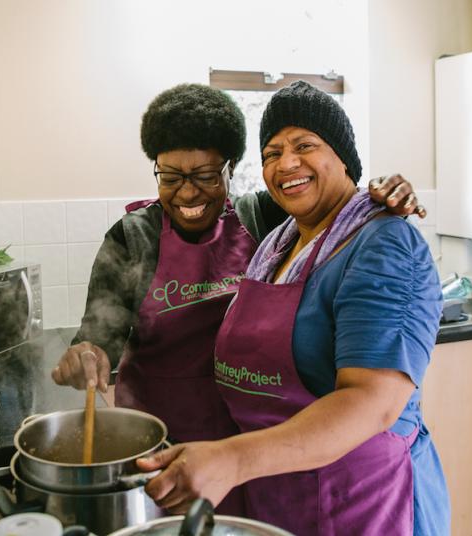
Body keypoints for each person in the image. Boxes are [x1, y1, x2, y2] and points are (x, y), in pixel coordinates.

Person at [50, 83, 425, 513]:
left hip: (264, 445)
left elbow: (334, 200)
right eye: (171, 178)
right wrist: (87, 355)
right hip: (162, 443)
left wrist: (383, 190)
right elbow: (98, 336)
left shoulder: (265, 220)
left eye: (205, 176)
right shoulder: (132, 238)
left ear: (230, 169)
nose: (188, 193)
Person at [136, 81, 450, 535]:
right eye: (271, 152)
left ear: (343, 157)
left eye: (305, 145)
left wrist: (235, 458)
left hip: (364, 502)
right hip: (281, 495)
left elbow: (372, 403)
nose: (286, 163)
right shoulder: (277, 245)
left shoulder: (384, 245)